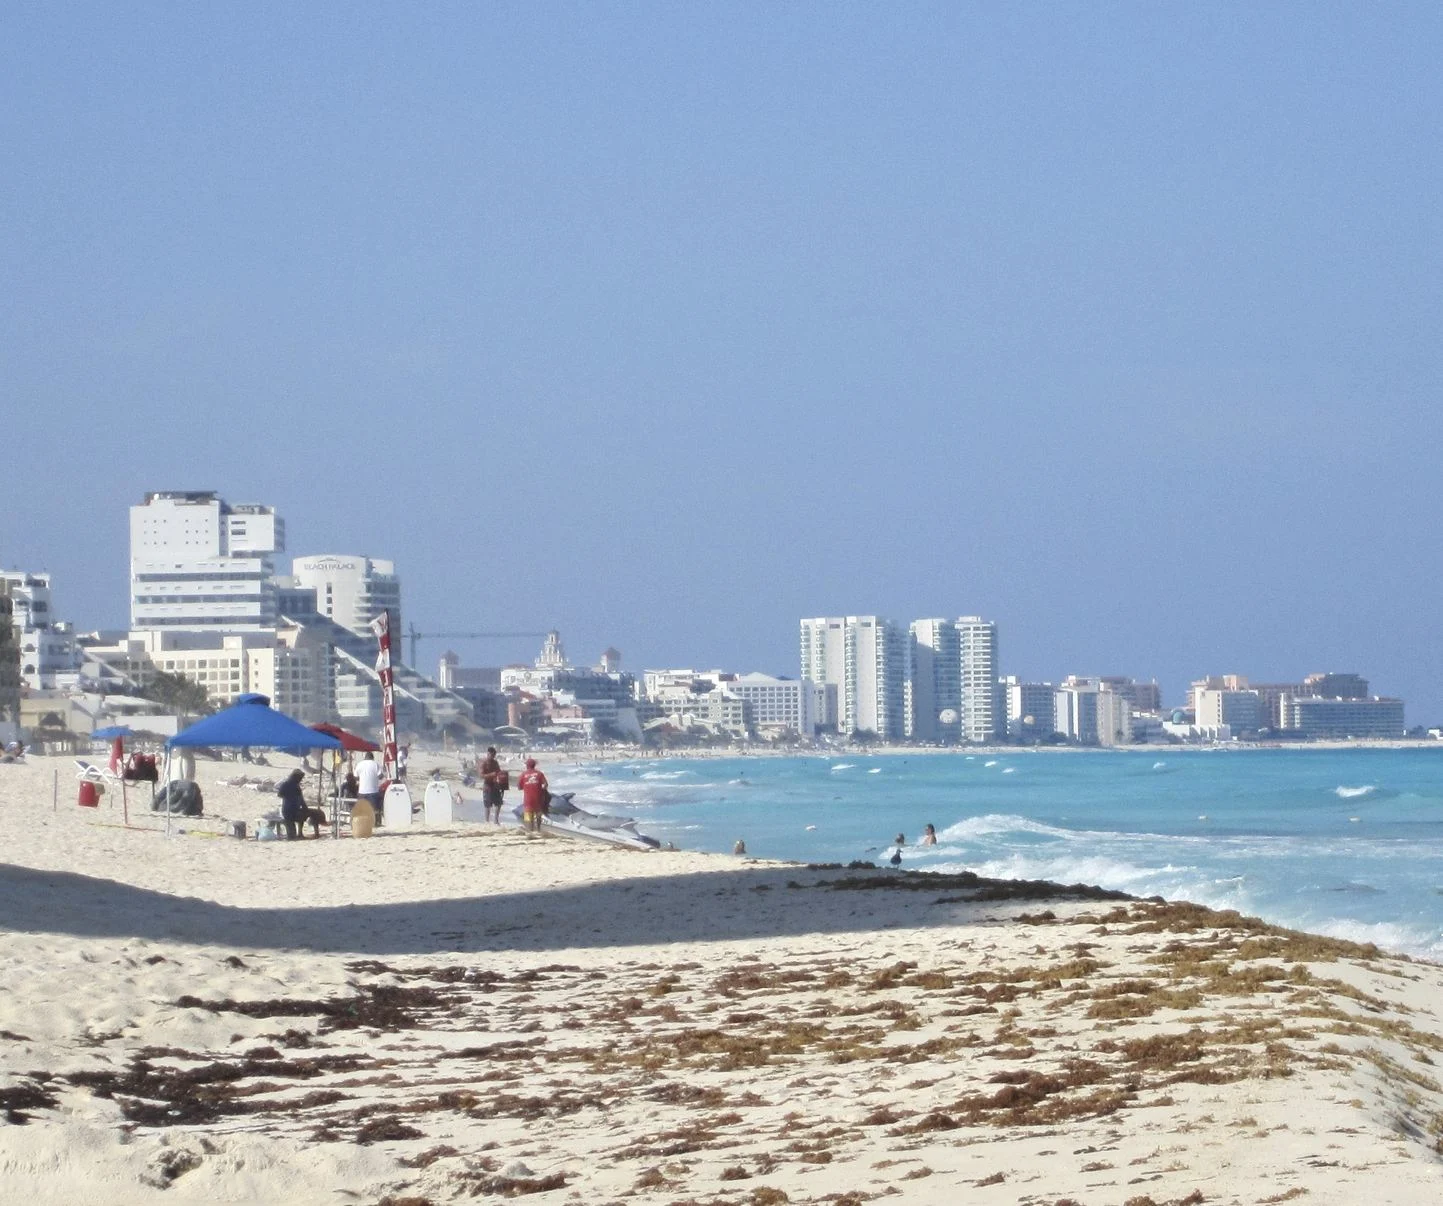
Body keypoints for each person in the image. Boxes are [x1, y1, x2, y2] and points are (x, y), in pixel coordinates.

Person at [518, 757, 548, 834]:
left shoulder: (523, 774)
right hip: (538, 797)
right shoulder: (539, 773)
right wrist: (542, 790)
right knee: (538, 813)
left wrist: (526, 785)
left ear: (527, 766)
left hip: (528, 799)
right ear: (534, 765)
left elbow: (519, 787)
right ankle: (538, 830)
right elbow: (545, 784)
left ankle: (529, 830)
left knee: (528, 814)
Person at [480, 746, 506, 825]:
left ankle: (496, 820)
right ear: (488, 754)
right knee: (488, 805)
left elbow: (499, 772)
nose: (493, 757)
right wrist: (491, 774)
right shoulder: (484, 763)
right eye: (491, 755)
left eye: (494, 755)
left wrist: (502, 777)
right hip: (487, 785)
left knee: (499, 803)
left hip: (495, 784)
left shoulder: (495, 763)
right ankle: (487, 821)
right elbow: (481, 775)